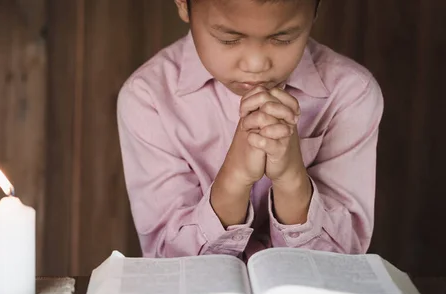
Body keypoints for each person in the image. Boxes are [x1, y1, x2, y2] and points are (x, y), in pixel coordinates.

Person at [117, 0, 383, 259]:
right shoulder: (149, 97)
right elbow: (166, 257)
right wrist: (234, 179)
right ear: (183, 5)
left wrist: (292, 181)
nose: (256, 65)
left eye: (283, 38)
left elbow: (345, 259)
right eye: (228, 39)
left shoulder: (350, 93)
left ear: (316, 9)